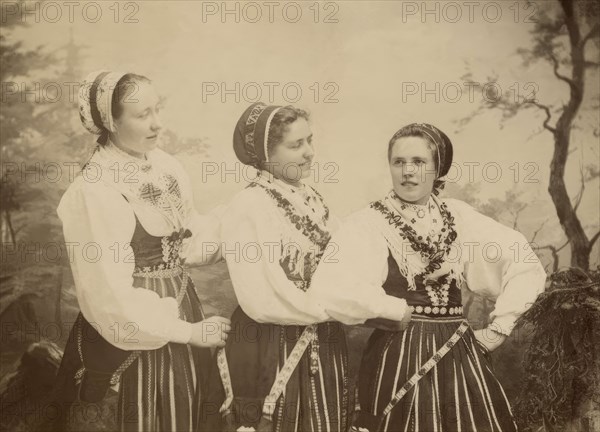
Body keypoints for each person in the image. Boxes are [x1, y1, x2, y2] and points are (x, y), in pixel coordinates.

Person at [310, 123, 547, 432]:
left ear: (437, 168)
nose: (408, 171)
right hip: (396, 355)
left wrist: (498, 329)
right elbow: (330, 286)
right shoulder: (368, 222)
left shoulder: (459, 217)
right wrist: (388, 310)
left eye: (419, 162)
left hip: (459, 352)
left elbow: (523, 261)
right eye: (399, 162)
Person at [53, 70, 230, 432]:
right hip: (130, 330)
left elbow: (187, 237)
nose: (157, 124)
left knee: (192, 409)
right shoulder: (94, 190)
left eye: (157, 110)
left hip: (183, 305)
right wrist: (189, 333)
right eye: (142, 115)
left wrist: (239, 229)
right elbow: (108, 295)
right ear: (111, 122)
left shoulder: (164, 164)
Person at [204, 103, 353, 432]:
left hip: (322, 339)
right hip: (269, 343)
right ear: (265, 153)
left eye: (310, 141)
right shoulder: (250, 205)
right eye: (296, 145)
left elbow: (344, 258)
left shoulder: (311, 198)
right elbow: (259, 299)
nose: (310, 153)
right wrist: (335, 307)